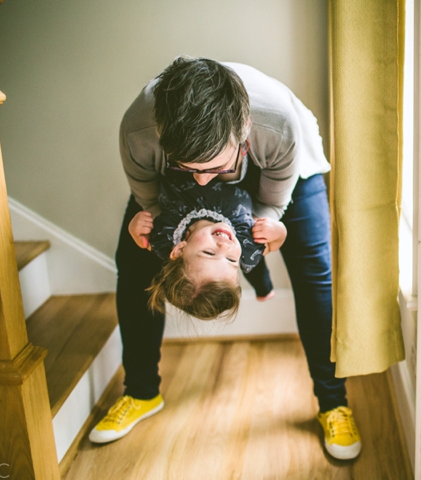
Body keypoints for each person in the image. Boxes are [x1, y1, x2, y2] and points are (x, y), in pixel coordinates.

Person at [89, 57, 362, 460]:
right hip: (176, 191)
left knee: (314, 272)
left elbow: (272, 204)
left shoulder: (277, 123)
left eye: (214, 168)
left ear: (243, 135)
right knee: (132, 265)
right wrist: (151, 231)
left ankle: (332, 401)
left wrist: (269, 231)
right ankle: (142, 392)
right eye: (190, 168)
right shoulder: (139, 128)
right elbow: (150, 199)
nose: (203, 180)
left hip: (281, 174)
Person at [128, 168, 287, 321]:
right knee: (252, 262)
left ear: (179, 249)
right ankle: (264, 289)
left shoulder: (165, 236)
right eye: (231, 260)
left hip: (186, 172)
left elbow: (145, 242)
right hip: (238, 180)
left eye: (209, 253)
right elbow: (272, 246)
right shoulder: (246, 245)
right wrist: (279, 232)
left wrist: (135, 229)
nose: (225, 247)